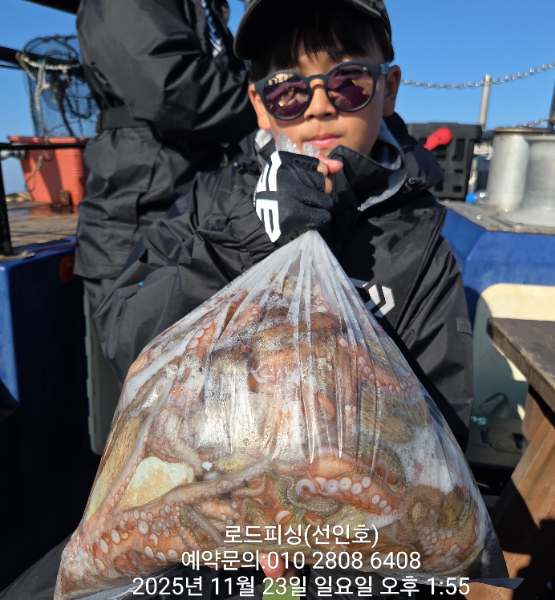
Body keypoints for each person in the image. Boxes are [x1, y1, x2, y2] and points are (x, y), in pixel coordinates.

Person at [0, 1, 477, 598]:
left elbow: (440, 429)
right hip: (199, 521)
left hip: (354, 551)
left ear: (389, 88)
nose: (319, 105)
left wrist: (325, 544)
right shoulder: (213, 205)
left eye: (348, 83)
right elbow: (130, 336)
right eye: (287, 91)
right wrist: (247, 237)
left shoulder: (420, 243)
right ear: (259, 103)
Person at [75, 0, 257, 314]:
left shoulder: (204, 7)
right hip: (136, 228)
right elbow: (171, 90)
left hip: (197, 218)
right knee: (145, 342)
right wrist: (276, 95)